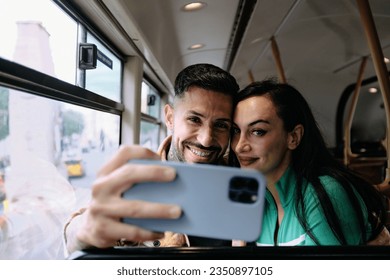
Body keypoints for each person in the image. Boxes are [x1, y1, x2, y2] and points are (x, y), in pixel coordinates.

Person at [64, 63, 239, 254]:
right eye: (194, 119)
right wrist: (86, 229)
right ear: (170, 118)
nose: (206, 140)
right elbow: (74, 234)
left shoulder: (242, 180)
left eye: (221, 125)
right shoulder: (136, 179)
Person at [230, 78, 388, 245]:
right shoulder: (257, 202)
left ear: (293, 137)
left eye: (258, 132)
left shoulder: (326, 194)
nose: (240, 146)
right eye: (235, 131)